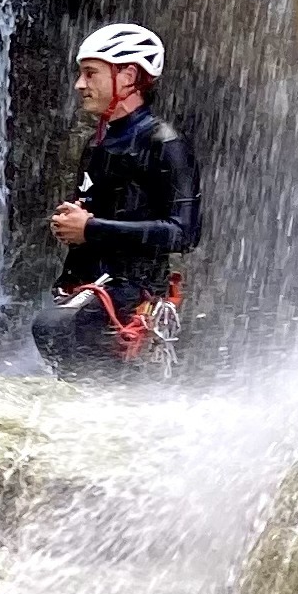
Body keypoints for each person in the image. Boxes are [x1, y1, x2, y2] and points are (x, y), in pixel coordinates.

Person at [32, 22, 201, 376]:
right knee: (58, 330)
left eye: (90, 73)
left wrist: (91, 228)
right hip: (96, 284)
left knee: (55, 328)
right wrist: (73, 226)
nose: (80, 85)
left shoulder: (165, 143)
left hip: (135, 289)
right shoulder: (97, 145)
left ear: (127, 76)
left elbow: (184, 233)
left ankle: (106, 406)